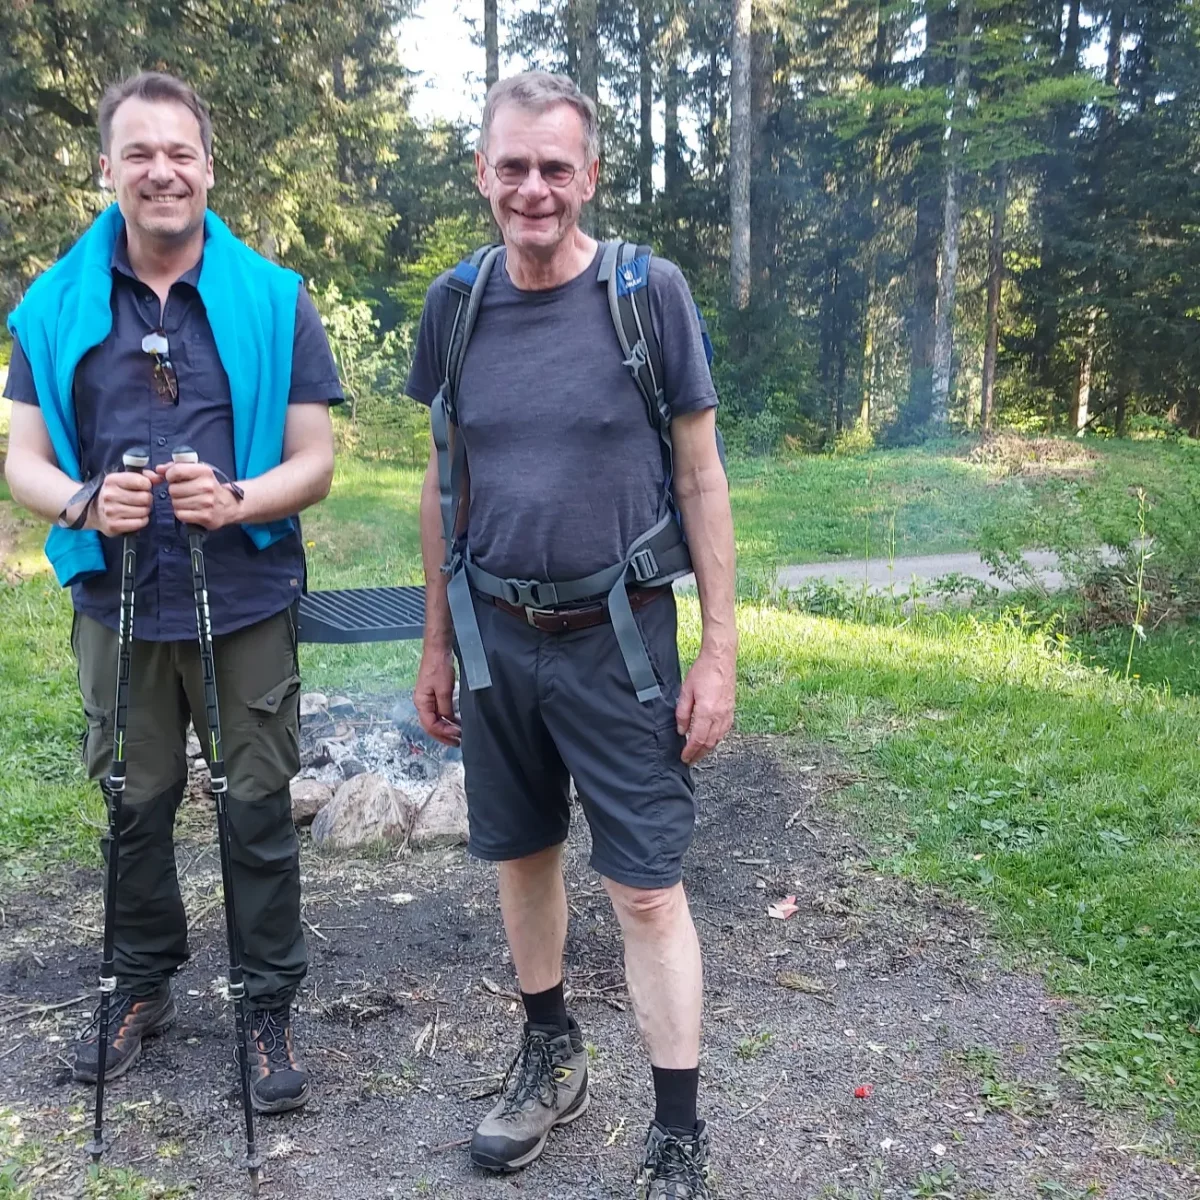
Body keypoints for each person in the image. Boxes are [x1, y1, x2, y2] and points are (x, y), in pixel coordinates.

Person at [406, 72, 737, 1199]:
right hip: (496, 638)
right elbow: (443, 482)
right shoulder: (454, 306)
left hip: (622, 639)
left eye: (556, 167)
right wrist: (436, 643)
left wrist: (719, 652)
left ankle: (678, 1129)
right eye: (513, 167)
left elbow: (701, 478)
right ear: (482, 176)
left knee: (644, 889)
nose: (534, 189)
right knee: (522, 857)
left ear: (589, 175)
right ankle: (550, 1054)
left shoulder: (650, 295)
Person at [3, 71, 342, 1114]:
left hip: (243, 601)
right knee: (132, 804)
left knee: (255, 806)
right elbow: (20, 456)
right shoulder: (53, 304)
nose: (162, 171)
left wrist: (237, 498)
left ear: (207, 167)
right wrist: (78, 506)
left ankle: (266, 1001)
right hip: (119, 605)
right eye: (139, 154)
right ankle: (140, 985)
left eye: (180, 153)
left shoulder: (274, 298)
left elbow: (316, 460)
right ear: (106, 169)